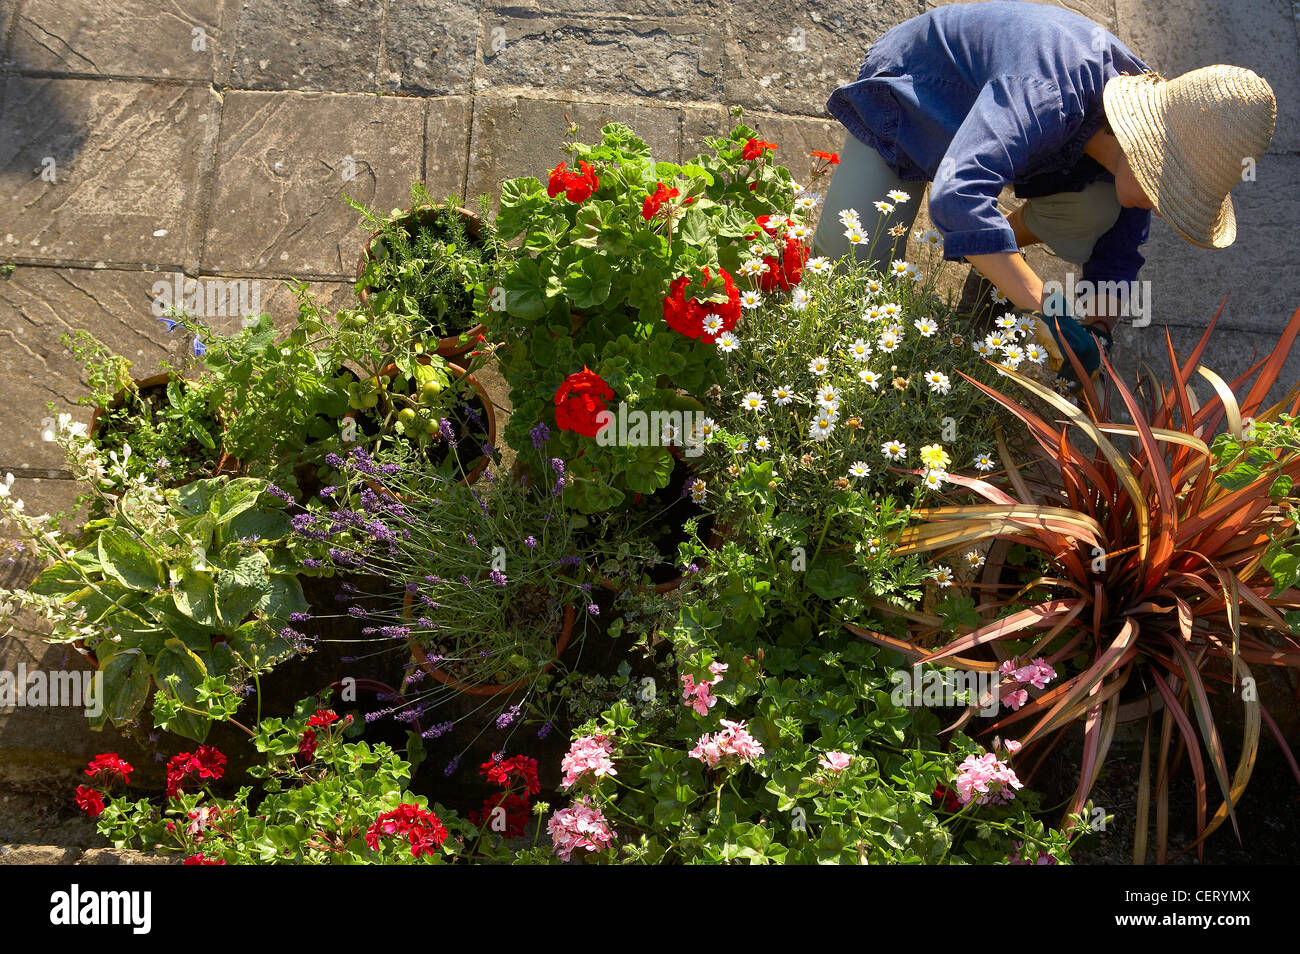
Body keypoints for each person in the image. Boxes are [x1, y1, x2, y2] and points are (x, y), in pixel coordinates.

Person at [813, 0, 1276, 384]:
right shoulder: (1047, 94)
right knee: (844, 282)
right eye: (1166, 190)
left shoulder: (1159, 118)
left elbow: (1119, 249)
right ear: (1147, 149)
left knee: (1101, 210)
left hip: (1003, 123)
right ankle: (994, 256)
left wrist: (1097, 331)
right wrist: (1049, 310)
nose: (1161, 206)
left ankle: (998, 252)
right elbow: (957, 196)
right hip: (916, 94)